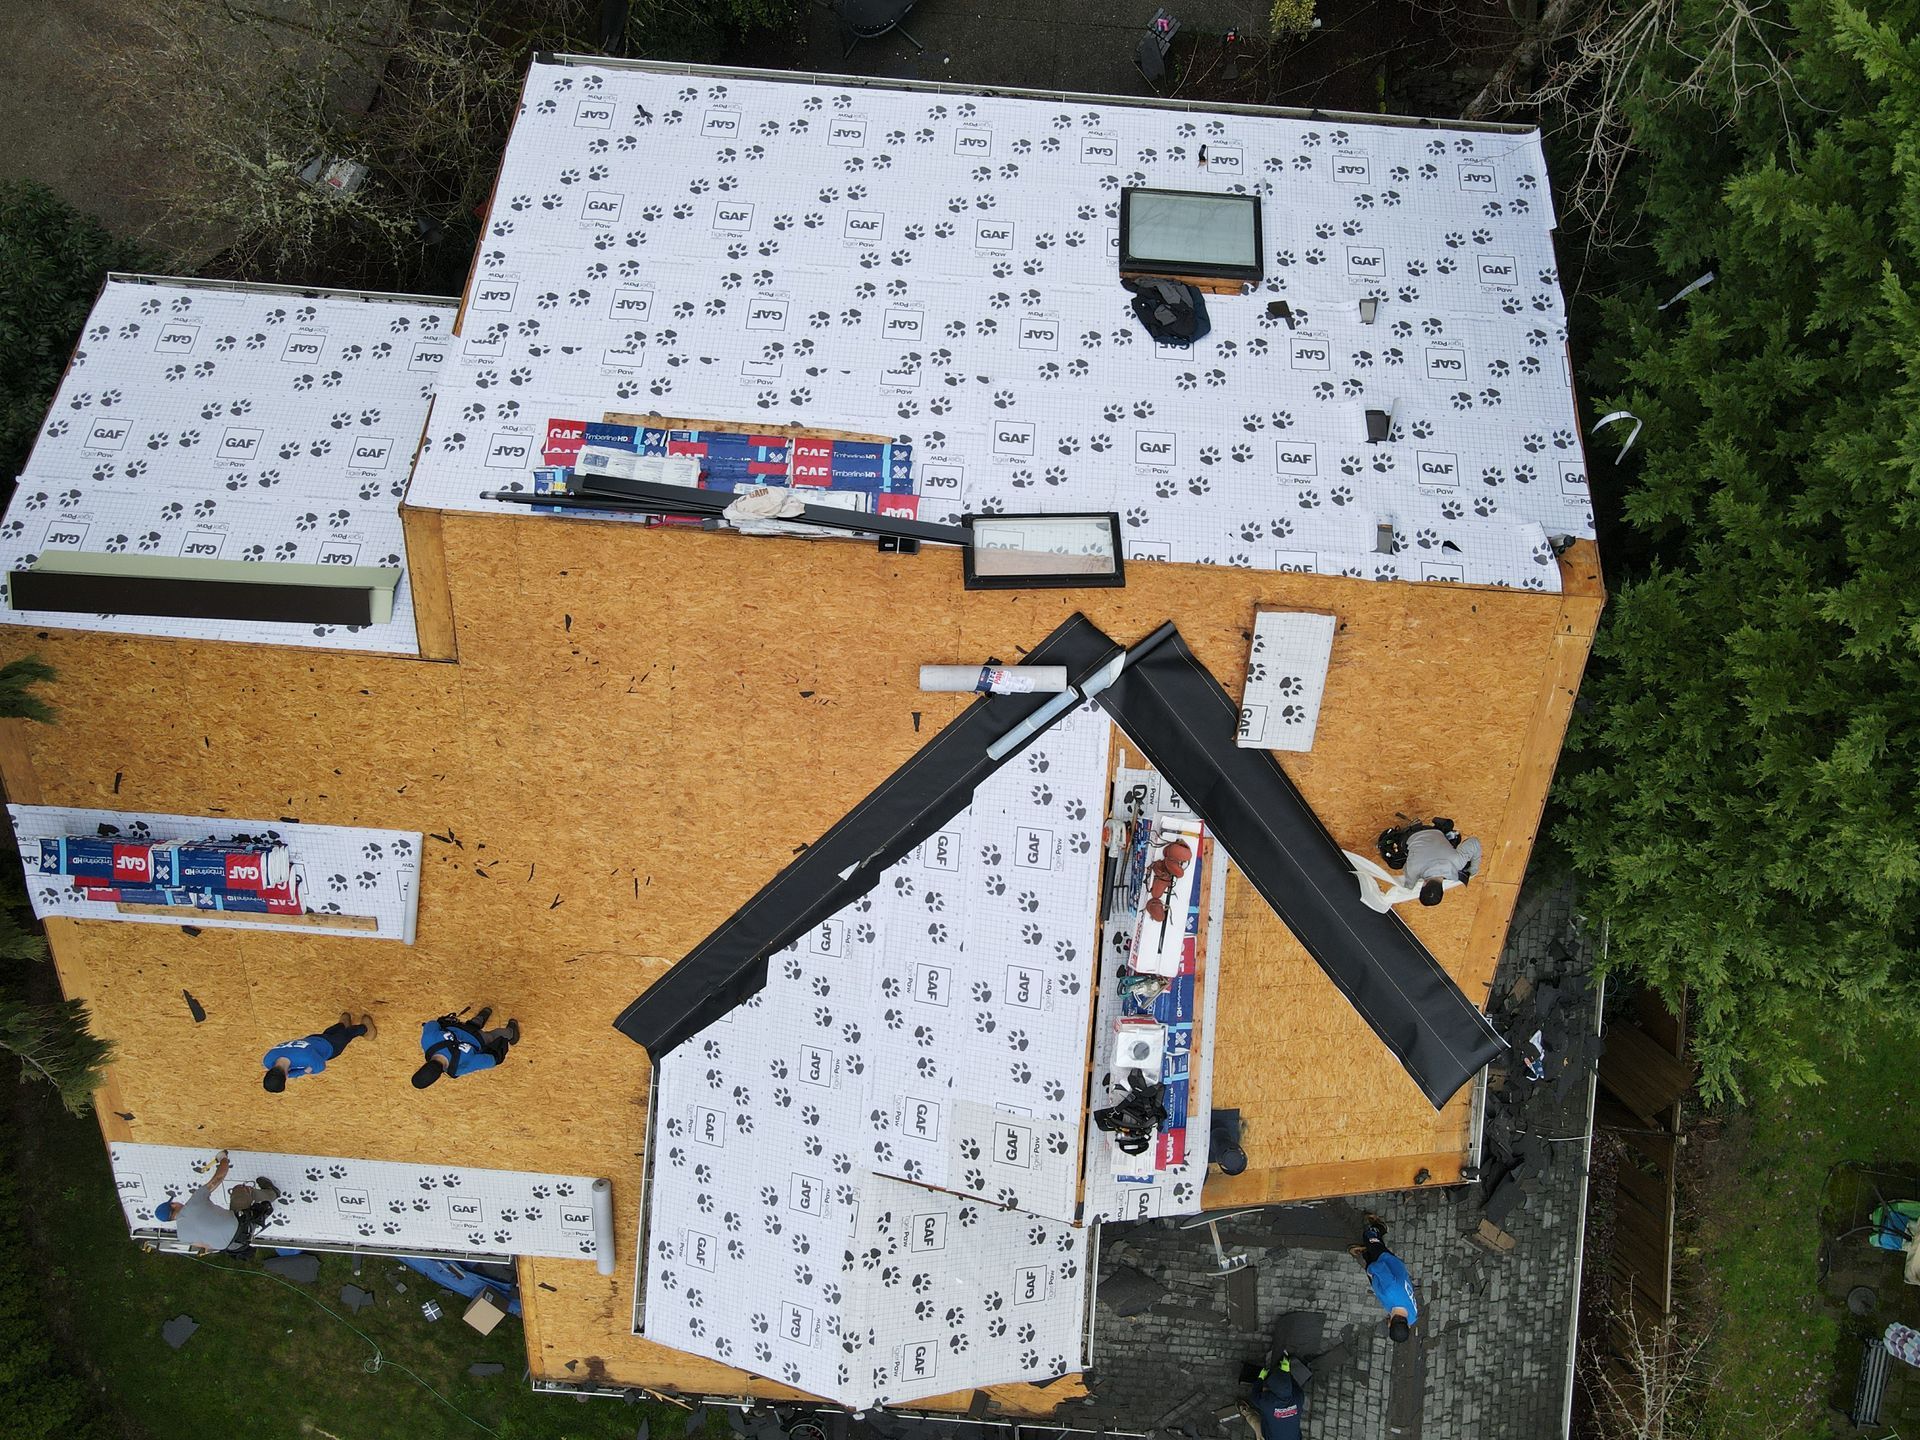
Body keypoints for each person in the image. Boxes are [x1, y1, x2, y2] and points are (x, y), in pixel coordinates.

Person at [153, 1150, 279, 1253]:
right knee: (240, 1191)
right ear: (173, 1204)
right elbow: (218, 1178)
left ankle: (257, 1215)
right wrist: (223, 1158)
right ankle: (272, 1193)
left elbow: (207, 1246)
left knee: (234, 1219)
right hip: (243, 1225)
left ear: (170, 1220)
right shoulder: (194, 1203)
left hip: (237, 1246)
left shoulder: (183, 1237)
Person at [1377, 817, 1481, 907]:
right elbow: (1408, 884)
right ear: (1424, 883)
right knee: (1396, 863)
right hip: (1410, 836)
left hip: (1434, 831)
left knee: (1453, 847)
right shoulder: (1414, 870)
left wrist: (1474, 869)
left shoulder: (1457, 862)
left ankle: (1447, 833)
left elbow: (1474, 842)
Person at [262, 1011, 375, 1092]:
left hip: (330, 1047)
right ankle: (342, 1024)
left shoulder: (307, 1059)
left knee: (347, 1035)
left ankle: (365, 1028)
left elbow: (320, 1067)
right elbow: (282, 1071)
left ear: (286, 1076)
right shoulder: (268, 1059)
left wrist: (303, 1072)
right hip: (313, 1039)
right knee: (329, 1033)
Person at [1349, 1212, 1419, 1342]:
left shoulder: (1413, 1317)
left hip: (1389, 1277)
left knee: (1370, 1257)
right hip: (1385, 1261)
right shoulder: (1390, 1290)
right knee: (1370, 1237)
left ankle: (1366, 1252)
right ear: (1390, 1323)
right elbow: (1378, 1267)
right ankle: (1379, 1228)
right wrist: (1369, 1270)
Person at [413, 1008, 520, 1088]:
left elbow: (488, 1061)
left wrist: (495, 1056)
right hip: (459, 1026)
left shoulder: (457, 1068)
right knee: (470, 1025)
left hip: (480, 1039)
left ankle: (510, 1032)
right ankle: (482, 1016)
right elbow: (432, 1024)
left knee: (494, 1035)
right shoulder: (427, 1041)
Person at [1237, 1353, 1305, 1440]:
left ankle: (1247, 1413)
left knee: (1256, 1422)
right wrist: (1286, 1373)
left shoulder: (1268, 1403)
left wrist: (1260, 1379)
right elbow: (1294, 1385)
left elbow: (1254, 1396)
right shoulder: (1298, 1396)